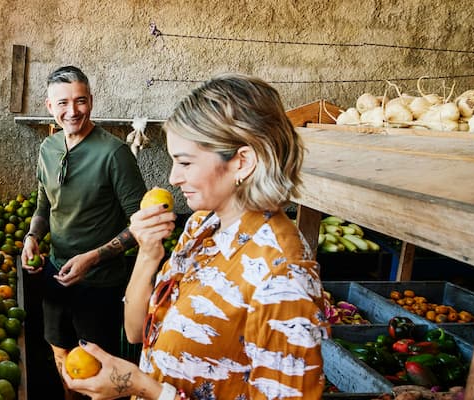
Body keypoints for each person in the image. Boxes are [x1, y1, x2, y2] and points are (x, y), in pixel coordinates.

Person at [62, 74, 328, 400]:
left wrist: (142, 386)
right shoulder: (203, 224)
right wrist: (148, 251)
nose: (173, 178)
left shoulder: (283, 275)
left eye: (185, 162)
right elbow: (135, 332)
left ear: (242, 161)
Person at [21, 66, 148, 397]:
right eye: (62, 103)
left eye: (80, 101)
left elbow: (142, 223)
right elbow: (43, 207)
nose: (72, 111)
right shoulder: (48, 148)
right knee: (62, 354)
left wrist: (94, 257)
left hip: (100, 283)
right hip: (55, 273)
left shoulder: (114, 153)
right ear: (49, 107)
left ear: (91, 101)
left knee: (100, 371)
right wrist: (32, 238)